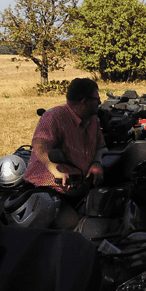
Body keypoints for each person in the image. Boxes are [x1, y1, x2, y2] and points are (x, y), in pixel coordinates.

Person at [24, 77, 107, 229]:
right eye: (97, 98)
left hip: (79, 188)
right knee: (72, 226)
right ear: (84, 101)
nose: (100, 102)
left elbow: (100, 147)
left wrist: (96, 163)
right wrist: (54, 169)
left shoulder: (93, 119)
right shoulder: (54, 117)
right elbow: (40, 146)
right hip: (49, 189)